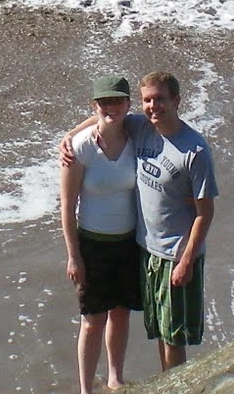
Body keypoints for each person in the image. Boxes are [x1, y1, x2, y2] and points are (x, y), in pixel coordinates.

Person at [62, 71, 217, 371]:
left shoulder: (195, 150)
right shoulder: (141, 128)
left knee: (174, 335)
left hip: (176, 255)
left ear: (177, 101)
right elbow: (106, 116)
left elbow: (206, 212)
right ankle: (167, 387)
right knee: (159, 329)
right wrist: (68, 137)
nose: (153, 106)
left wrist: (186, 261)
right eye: (147, 100)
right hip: (145, 250)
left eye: (160, 99)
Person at [59, 74, 141, 394]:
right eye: (104, 102)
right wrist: (73, 256)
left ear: (127, 104)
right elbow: (67, 204)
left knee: (121, 313)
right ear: (95, 105)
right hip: (92, 244)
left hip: (129, 242)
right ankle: (84, 391)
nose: (111, 108)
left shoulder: (136, 134)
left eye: (117, 101)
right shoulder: (80, 148)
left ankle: (115, 379)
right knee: (93, 320)